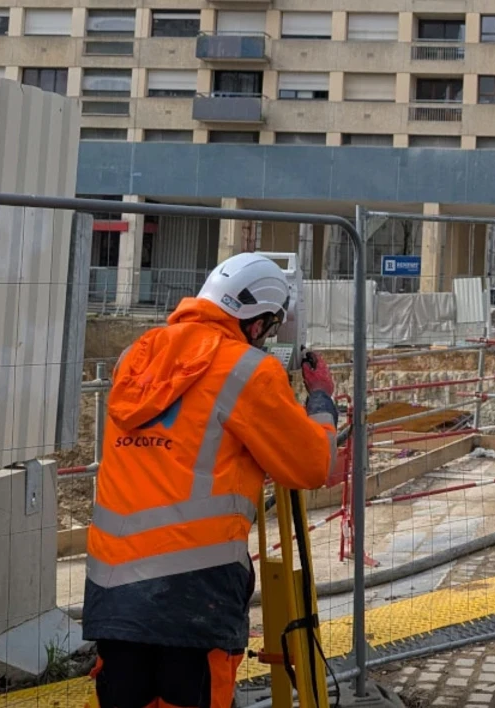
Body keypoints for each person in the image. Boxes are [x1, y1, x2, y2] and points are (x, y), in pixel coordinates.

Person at [83, 253, 340, 708]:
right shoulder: (247, 370)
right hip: (192, 592)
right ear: (256, 324)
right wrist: (321, 401)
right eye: (269, 329)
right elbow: (312, 465)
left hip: (111, 586)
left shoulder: (136, 358)